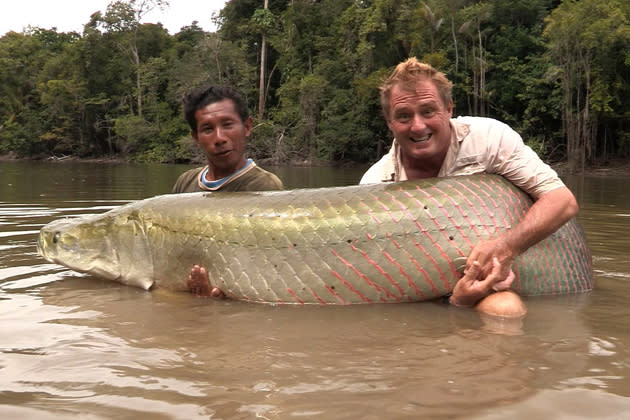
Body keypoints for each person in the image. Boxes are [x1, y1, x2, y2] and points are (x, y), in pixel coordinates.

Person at [361, 57, 579, 316]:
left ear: (448, 108)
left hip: (504, 276)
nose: (418, 126)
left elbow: (562, 201)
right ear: (389, 122)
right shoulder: (374, 184)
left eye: (428, 111)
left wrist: (506, 248)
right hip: (427, 292)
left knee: (505, 310)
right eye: (404, 116)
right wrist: (457, 301)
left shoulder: (489, 139)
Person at [173, 85, 284, 296]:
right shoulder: (185, 183)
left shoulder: (264, 187)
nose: (219, 137)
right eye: (207, 129)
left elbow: (266, 267)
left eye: (227, 125)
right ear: (196, 137)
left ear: (247, 127)